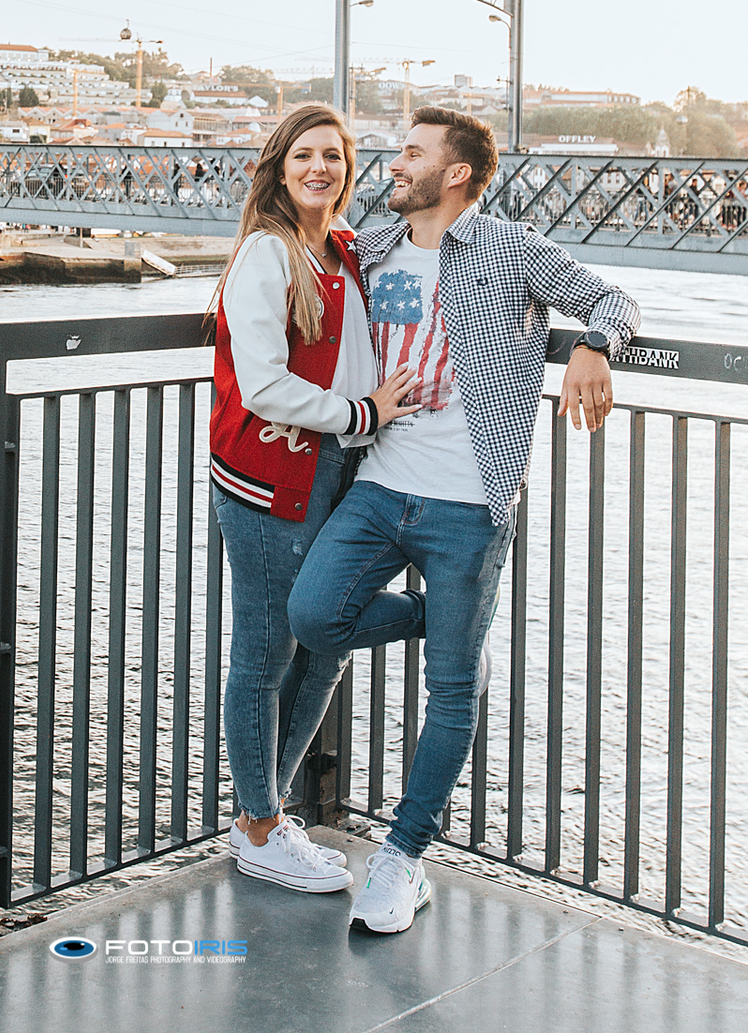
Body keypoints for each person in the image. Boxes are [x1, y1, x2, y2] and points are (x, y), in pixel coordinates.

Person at [288, 108, 640, 933]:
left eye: (412, 152)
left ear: (454, 174)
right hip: (379, 486)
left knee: (449, 691)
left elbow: (612, 297)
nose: (393, 162)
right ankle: (443, 621)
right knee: (315, 615)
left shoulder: (512, 248)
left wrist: (592, 345)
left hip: (470, 503)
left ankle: (404, 855)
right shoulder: (370, 246)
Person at [209, 104, 417, 894]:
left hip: (337, 468)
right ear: (279, 167)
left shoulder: (347, 247)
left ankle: (263, 816)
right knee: (267, 650)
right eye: (303, 155)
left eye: (333, 155)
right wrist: (362, 414)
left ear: (348, 169)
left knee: (325, 639)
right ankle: (261, 826)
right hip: (268, 473)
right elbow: (263, 385)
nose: (319, 168)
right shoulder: (268, 252)